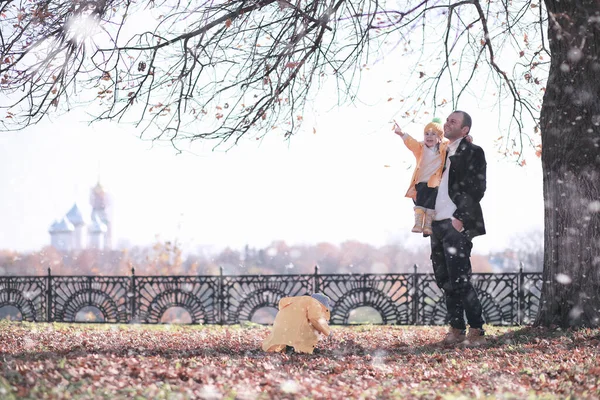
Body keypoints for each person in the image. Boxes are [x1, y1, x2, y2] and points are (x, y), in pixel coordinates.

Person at [430, 110, 487, 347]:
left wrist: (460, 218)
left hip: (456, 224)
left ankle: (476, 330)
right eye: (447, 120)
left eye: (453, 121)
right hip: (436, 224)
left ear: (465, 130)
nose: (447, 123)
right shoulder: (438, 152)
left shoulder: (473, 152)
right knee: (445, 280)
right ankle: (456, 330)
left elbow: (477, 187)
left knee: (461, 280)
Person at [393, 118, 471, 236]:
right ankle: (418, 223)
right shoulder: (420, 148)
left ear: (440, 137)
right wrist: (402, 133)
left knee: (431, 205)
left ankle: (428, 226)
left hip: (434, 183)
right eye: (426, 134)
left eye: (433, 134)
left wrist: (466, 140)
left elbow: (456, 144)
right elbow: (411, 142)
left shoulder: (444, 148)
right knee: (420, 203)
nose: (429, 136)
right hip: (421, 181)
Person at [262, 293, 331, 354]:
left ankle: (290, 347)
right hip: (297, 332)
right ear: (323, 305)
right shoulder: (314, 303)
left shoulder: (297, 302)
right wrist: (328, 332)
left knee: (298, 325)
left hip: (283, 329)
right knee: (310, 326)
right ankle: (301, 349)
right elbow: (315, 319)